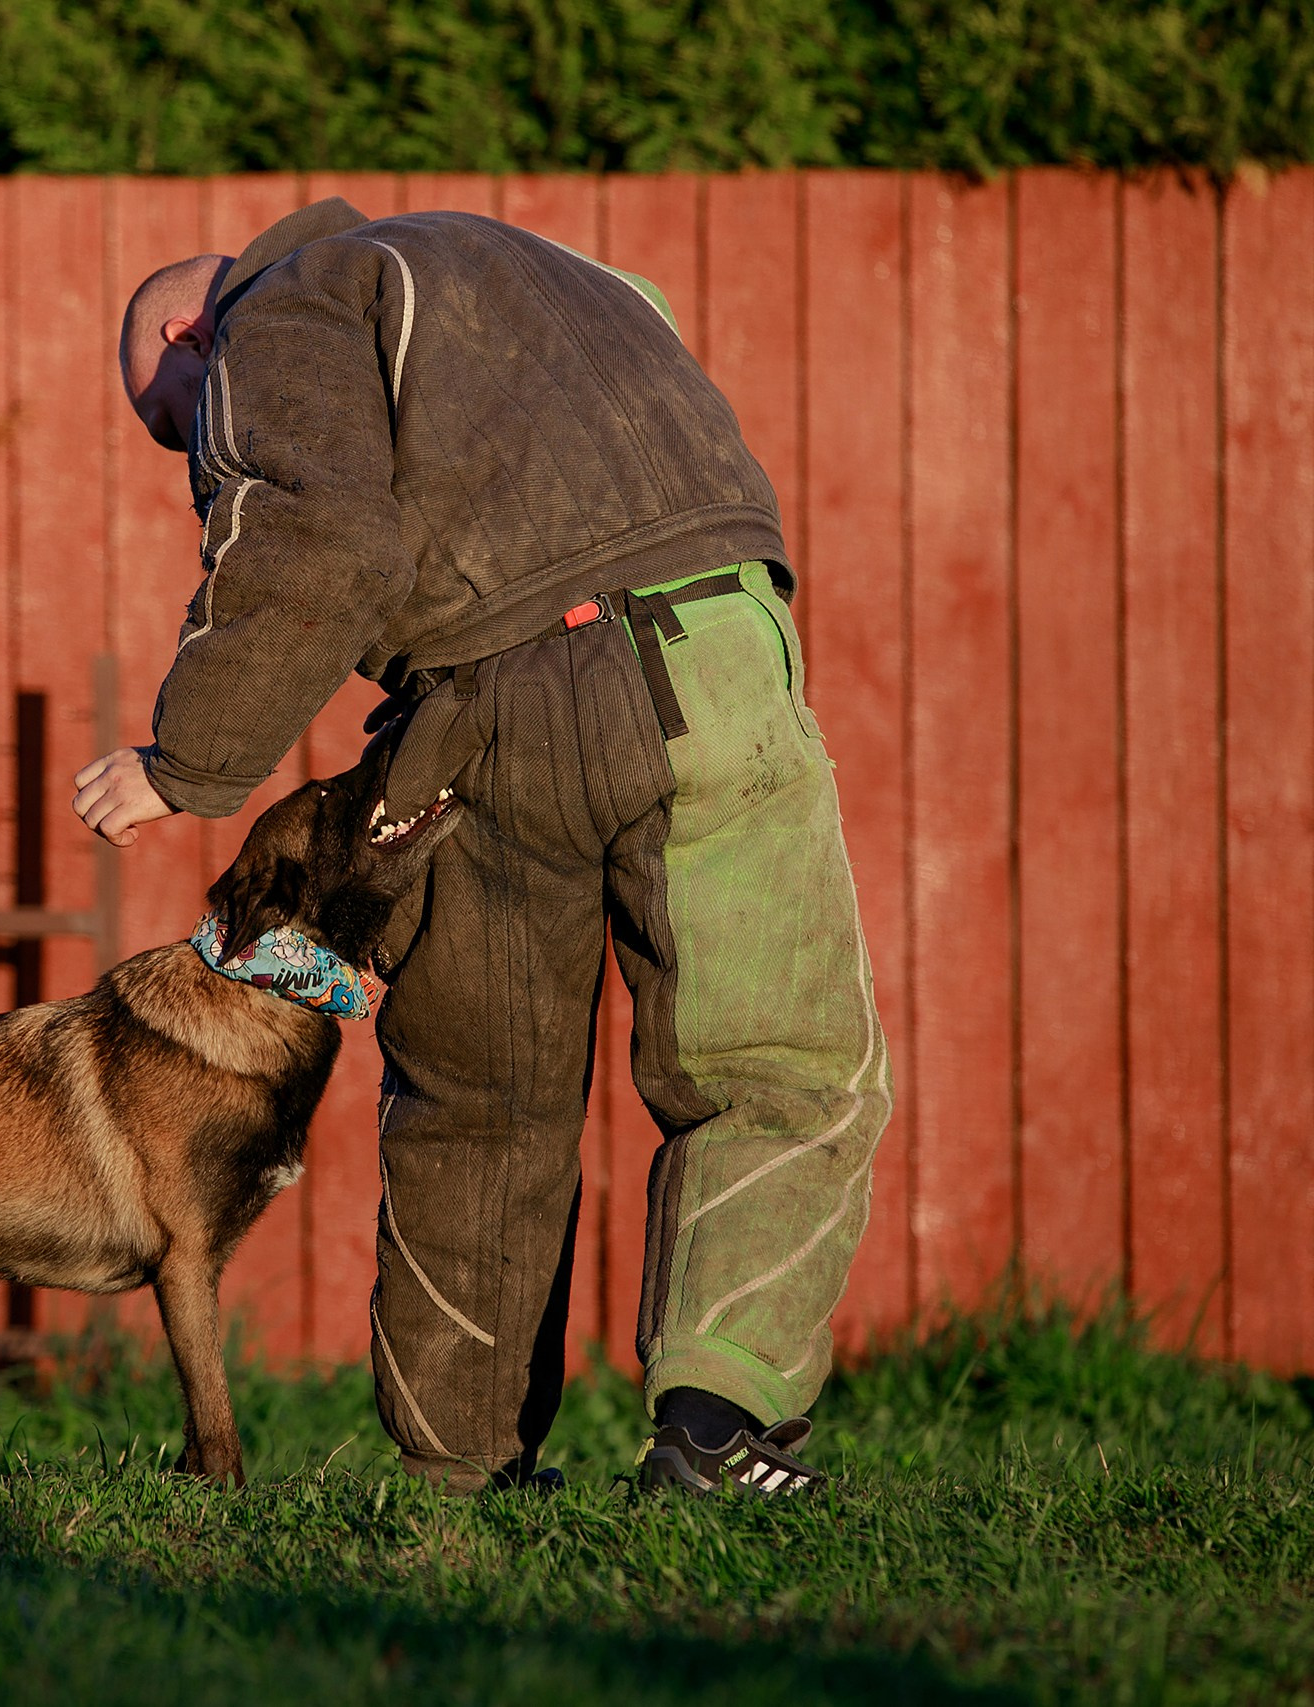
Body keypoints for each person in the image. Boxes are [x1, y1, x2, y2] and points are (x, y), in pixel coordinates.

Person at [74, 198, 891, 1497]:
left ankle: (464, 1467)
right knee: (778, 1067)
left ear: (189, 330)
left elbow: (314, 525)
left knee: (479, 1109)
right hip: (724, 659)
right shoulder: (583, 277)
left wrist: (189, 762)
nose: (195, 458)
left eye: (178, 423)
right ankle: (719, 1428)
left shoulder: (283, 306)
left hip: (495, 707)